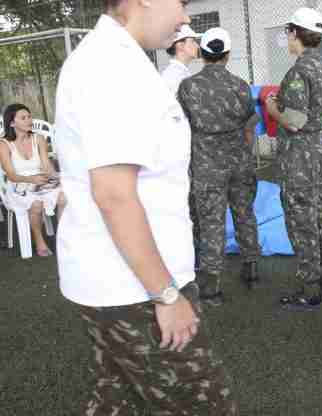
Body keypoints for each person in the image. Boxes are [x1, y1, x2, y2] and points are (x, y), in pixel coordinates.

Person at [53, 0, 237, 414]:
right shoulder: (112, 67)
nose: (185, 17)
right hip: (134, 285)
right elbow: (114, 194)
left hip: (121, 279)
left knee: (117, 399)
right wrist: (166, 294)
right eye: (182, 3)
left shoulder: (117, 60)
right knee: (204, 403)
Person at [264, 7, 322, 310]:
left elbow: (293, 120)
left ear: (295, 33)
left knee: (301, 219)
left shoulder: (299, 71)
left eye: (288, 32)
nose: (287, 37)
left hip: (301, 158)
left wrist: (271, 107)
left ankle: (310, 289)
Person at [178, 27, 261, 303]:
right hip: (239, 161)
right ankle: (251, 266)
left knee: (211, 221)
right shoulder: (241, 86)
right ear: (227, 55)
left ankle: (211, 284)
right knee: (244, 213)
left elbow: (182, 125)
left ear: (202, 53)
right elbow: (251, 122)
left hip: (206, 165)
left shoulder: (188, 87)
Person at [0, 103, 66, 257]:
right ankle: (39, 239)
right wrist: (31, 179)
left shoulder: (39, 138)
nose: (29, 120)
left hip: (41, 182)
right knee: (35, 204)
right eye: (23, 118)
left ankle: (61, 237)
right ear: (12, 123)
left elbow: (47, 167)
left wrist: (59, 177)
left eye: (29, 116)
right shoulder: (3, 145)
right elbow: (10, 174)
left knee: (64, 196)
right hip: (18, 185)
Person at [161, 24, 200, 93]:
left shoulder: (181, 72)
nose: (197, 46)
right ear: (180, 46)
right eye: (193, 41)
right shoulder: (173, 76)